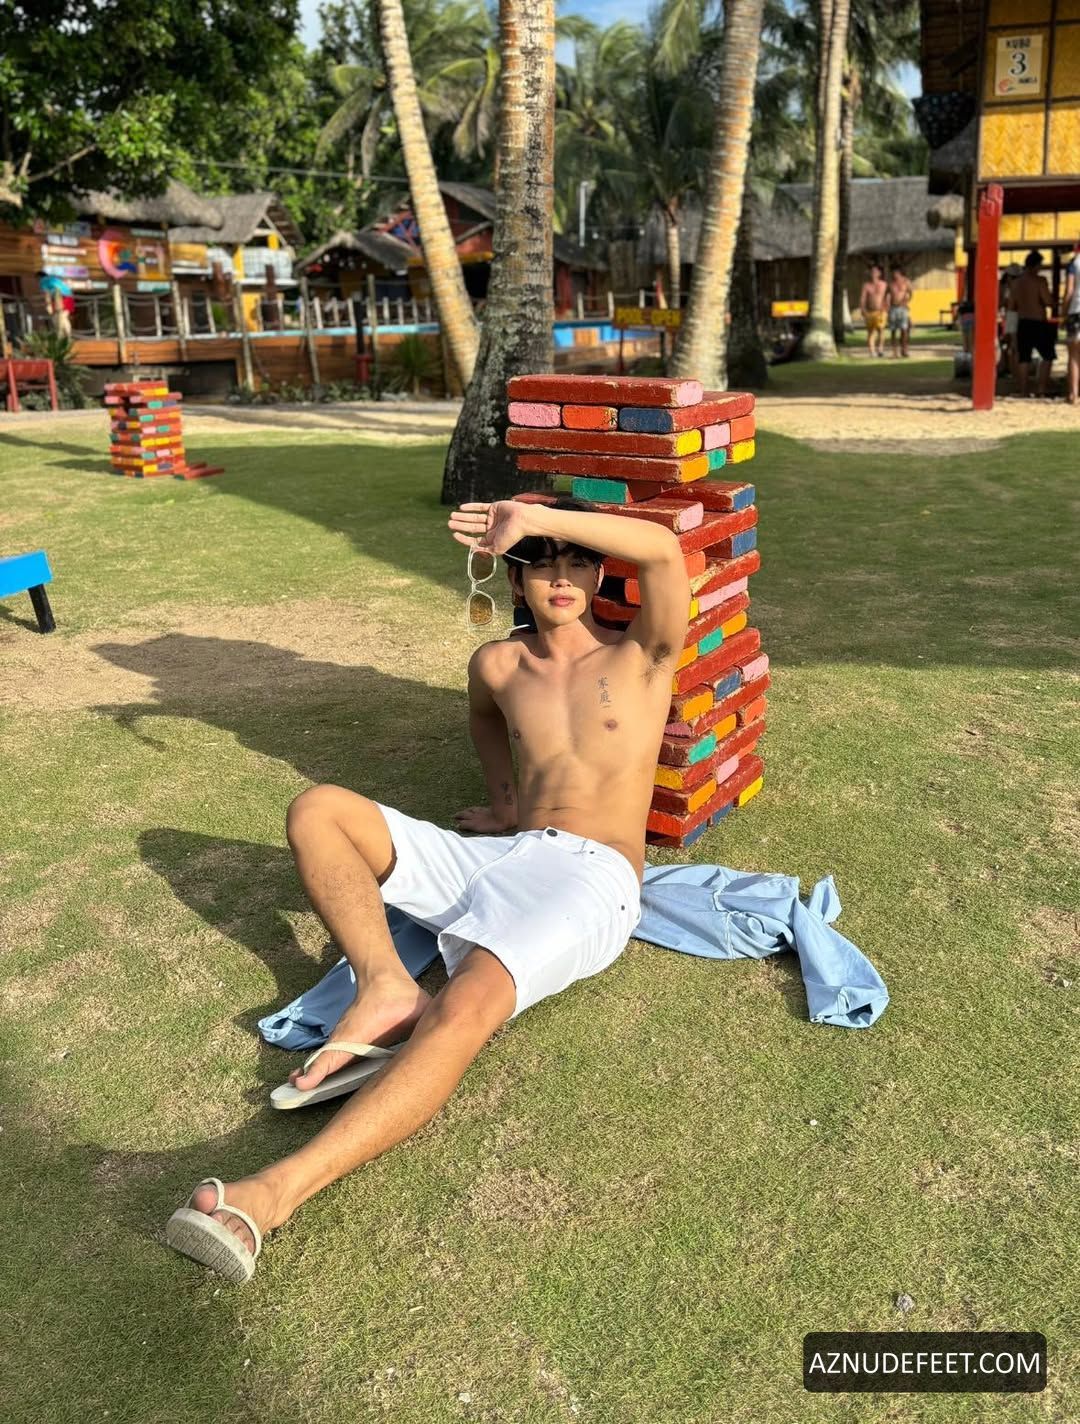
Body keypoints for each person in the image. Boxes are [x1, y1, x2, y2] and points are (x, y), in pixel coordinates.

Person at [164, 494, 692, 1282]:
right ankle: (385, 986)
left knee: (466, 1006)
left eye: (576, 562)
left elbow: (663, 551)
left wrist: (539, 522)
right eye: (541, 565)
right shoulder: (497, 664)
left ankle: (270, 1197)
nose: (560, 576)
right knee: (319, 811)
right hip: (507, 853)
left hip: (592, 878)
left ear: (596, 575)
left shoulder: (639, 657)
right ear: (515, 583)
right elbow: (486, 721)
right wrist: (505, 807)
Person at [1008, 249, 1056, 398]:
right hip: (1038, 322)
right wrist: (1053, 302)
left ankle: (1023, 390)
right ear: (1037, 265)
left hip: (1022, 322)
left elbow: (1011, 307)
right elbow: (1047, 301)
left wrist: (1010, 330)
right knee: (1048, 356)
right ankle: (1041, 388)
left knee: (1024, 357)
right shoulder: (1040, 281)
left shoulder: (1015, 283)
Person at [1063, 239, 1080, 405]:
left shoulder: (1074, 263)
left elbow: (1069, 291)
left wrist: (1063, 313)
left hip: (1076, 310)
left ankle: (1073, 394)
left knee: (1074, 355)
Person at [859, 263, 888, 357]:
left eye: (875, 272)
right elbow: (862, 299)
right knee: (871, 332)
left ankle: (880, 349)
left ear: (879, 273)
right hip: (870, 312)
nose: (873, 273)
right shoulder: (866, 285)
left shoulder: (884, 284)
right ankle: (872, 352)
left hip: (881, 311)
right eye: (872, 272)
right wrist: (863, 310)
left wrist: (886, 308)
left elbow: (887, 297)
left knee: (881, 330)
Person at [36, 268, 74, 339]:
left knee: (57, 318)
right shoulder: (53, 278)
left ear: (39, 277)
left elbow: (47, 294)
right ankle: (68, 336)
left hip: (60, 297)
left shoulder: (43, 281)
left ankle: (61, 336)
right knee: (64, 317)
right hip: (69, 296)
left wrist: (48, 305)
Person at [887, 264, 913, 358]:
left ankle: (904, 349)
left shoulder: (906, 282)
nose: (894, 274)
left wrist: (906, 301)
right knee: (893, 330)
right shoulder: (891, 283)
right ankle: (894, 352)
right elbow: (888, 296)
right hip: (893, 308)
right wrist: (888, 307)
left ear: (899, 272)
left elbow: (911, 293)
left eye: (895, 272)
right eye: (893, 272)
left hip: (903, 308)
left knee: (904, 330)